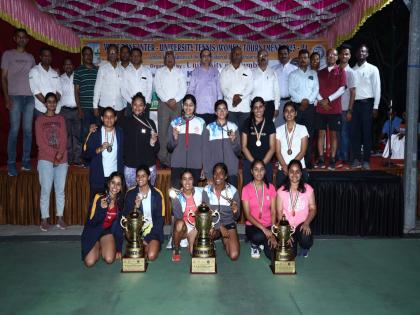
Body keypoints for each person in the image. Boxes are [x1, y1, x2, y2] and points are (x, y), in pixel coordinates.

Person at [1, 28, 36, 176]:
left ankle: (26, 161)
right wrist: (6, 97)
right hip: (14, 96)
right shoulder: (8, 55)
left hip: (29, 98)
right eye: (19, 37)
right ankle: (11, 164)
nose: (22, 39)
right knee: (14, 130)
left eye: (24, 37)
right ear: (15, 39)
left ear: (27, 40)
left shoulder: (31, 57)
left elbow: (36, 76)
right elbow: (3, 78)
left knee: (28, 131)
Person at [35, 92, 68, 231]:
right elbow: (40, 142)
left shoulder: (61, 119)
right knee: (46, 190)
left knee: (60, 190)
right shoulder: (39, 120)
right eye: (49, 101)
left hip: (62, 158)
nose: (52, 104)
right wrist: (54, 156)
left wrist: (59, 155)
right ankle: (44, 219)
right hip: (45, 159)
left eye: (54, 101)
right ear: (45, 103)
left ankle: (60, 218)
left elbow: (64, 138)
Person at [81, 172, 125, 267]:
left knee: (109, 259)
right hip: (93, 231)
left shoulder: (120, 202)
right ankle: (98, 247)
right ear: (108, 183)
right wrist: (101, 209)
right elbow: (91, 222)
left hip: (106, 232)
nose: (115, 186)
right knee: (89, 262)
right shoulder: (98, 198)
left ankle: (104, 245)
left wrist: (118, 249)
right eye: (113, 182)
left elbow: (119, 228)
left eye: (118, 184)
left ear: (121, 187)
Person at [124, 165, 165, 261]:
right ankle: (139, 246)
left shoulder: (157, 194)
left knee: (151, 256)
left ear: (149, 177)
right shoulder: (130, 194)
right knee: (137, 252)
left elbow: (160, 220)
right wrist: (136, 207)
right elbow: (126, 217)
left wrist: (147, 239)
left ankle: (146, 247)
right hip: (136, 231)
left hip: (153, 231)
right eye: (138, 176)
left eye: (143, 176)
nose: (140, 178)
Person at [276, 159, 316, 257]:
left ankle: (304, 247)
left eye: (297, 171)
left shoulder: (308, 189)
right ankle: (293, 244)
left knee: (306, 239)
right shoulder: (281, 191)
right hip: (287, 226)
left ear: (301, 173)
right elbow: (279, 213)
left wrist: (307, 223)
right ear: (287, 173)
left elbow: (313, 208)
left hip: (301, 225)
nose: (294, 174)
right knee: (290, 255)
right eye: (291, 171)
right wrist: (285, 232)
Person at [314, 48, 346, 170]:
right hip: (321, 109)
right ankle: (321, 158)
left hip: (334, 109)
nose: (331, 56)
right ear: (326, 57)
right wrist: (322, 101)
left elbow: (342, 89)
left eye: (334, 55)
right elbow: (315, 88)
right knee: (321, 133)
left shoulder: (341, 71)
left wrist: (328, 100)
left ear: (337, 57)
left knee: (333, 135)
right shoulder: (320, 72)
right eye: (329, 55)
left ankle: (332, 159)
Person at [154, 50, 187, 167]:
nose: (169, 59)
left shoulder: (180, 72)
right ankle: (163, 158)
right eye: (167, 57)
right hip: (163, 104)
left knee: (175, 132)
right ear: (164, 59)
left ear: (174, 59)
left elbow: (183, 88)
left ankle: (174, 158)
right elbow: (157, 88)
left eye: (171, 57)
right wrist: (167, 100)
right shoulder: (159, 72)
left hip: (177, 105)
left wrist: (175, 100)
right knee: (162, 132)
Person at [83, 107, 124, 200]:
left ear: (116, 118)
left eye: (111, 117)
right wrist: (98, 149)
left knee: (114, 209)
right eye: (106, 116)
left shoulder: (120, 132)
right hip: (98, 178)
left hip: (115, 180)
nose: (109, 119)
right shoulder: (94, 132)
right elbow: (85, 155)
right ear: (102, 118)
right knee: (95, 208)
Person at [203, 163, 241, 261]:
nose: (217, 176)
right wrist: (219, 226)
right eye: (215, 173)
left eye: (221, 173)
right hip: (212, 224)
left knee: (234, 255)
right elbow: (206, 213)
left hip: (228, 223)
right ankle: (213, 241)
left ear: (226, 176)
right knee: (210, 233)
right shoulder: (206, 190)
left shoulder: (233, 191)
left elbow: (237, 217)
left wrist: (235, 211)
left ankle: (226, 241)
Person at [351, 44, 381, 170]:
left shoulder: (373, 69)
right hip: (355, 105)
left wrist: (376, 107)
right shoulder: (352, 69)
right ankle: (357, 159)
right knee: (355, 133)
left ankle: (367, 160)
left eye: (364, 51)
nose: (361, 53)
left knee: (367, 134)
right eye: (359, 51)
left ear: (367, 54)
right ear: (356, 54)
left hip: (368, 104)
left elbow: (377, 88)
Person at [120, 92, 159, 188]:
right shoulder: (124, 122)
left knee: (148, 197)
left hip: (148, 166)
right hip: (131, 166)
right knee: (132, 197)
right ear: (131, 106)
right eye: (135, 105)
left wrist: (153, 143)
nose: (137, 107)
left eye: (141, 105)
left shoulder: (150, 123)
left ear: (145, 107)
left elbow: (157, 148)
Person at [289, 49, 319, 168]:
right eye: (301, 57)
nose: (303, 60)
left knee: (309, 135)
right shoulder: (293, 74)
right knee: (296, 135)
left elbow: (316, 89)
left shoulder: (313, 74)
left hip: (310, 108)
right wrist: (302, 101)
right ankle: (296, 161)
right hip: (297, 107)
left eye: (306, 58)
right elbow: (291, 90)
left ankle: (308, 161)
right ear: (298, 59)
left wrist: (307, 101)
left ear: (308, 60)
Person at [167, 94, 206, 188]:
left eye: (191, 105)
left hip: (195, 166)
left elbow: (205, 147)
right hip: (177, 165)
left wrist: (204, 167)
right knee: (176, 196)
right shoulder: (175, 122)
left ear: (195, 107)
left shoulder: (201, 122)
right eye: (186, 104)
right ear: (182, 106)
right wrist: (175, 138)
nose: (188, 107)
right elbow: (169, 147)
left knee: (192, 198)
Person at [242, 159, 277, 259]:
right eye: (256, 169)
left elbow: (274, 211)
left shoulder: (271, 187)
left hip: (269, 225)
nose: (259, 172)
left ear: (265, 171)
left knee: (272, 255)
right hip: (253, 226)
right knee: (258, 236)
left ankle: (265, 243)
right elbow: (247, 215)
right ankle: (255, 245)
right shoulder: (246, 189)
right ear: (251, 171)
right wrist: (264, 230)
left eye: (261, 169)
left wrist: (273, 231)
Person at [203, 100, 241, 187]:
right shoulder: (209, 128)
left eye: (224, 109)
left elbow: (238, 151)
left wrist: (233, 141)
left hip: (231, 171)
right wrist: (208, 173)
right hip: (215, 172)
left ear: (227, 111)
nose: (222, 111)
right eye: (219, 109)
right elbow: (205, 152)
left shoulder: (233, 127)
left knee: (231, 199)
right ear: (215, 112)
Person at [241, 97, 276, 185]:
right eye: (255, 107)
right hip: (249, 162)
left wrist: (262, 165)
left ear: (264, 108)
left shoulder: (270, 123)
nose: (258, 109)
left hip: (265, 162)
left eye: (260, 107)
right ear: (252, 109)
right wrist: (254, 164)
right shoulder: (246, 122)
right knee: (248, 191)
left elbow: (272, 148)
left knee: (267, 190)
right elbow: (244, 147)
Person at [170, 169, 203, 262]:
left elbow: (212, 188)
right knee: (179, 223)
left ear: (193, 180)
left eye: (190, 179)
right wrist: (176, 199)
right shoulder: (177, 197)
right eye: (184, 179)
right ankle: (176, 250)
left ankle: (191, 242)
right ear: (181, 181)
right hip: (184, 226)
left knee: (194, 253)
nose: (187, 182)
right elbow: (177, 218)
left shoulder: (201, 192)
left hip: (196, 226)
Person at [275, 102, 309, 187]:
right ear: (283, 114)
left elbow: (303, 151)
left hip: (299, 169)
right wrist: (284, 166)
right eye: (286, 111)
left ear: (296, 113)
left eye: (292, 111)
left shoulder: (302, 129)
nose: (289, 113)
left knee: (301, 198)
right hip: (283, 169)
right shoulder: (278, 130)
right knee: (282, 199)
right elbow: (278, 152)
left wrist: (291, 167)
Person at [220, 46, 253, 130]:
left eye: (239, 54)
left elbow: (250, 87)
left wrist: (240, 97)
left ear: (241, 56)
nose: (237, 55)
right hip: (230, 109)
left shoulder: (247, 70)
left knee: (244, 135)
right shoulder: (225, 71)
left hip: (244, 108)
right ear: (231, 55)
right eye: (235, 53)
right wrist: (233, 97)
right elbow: (223, 88)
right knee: (232, 134)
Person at [187, 48, 222, 125]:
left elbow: (219, 91)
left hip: (213, 111)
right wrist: (192, 107)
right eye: (204, 56)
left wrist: (219, 108)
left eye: (208, 56)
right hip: (199, 111)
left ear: (210, 58)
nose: (206, 58)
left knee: (212, 135)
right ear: (201, 58)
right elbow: (191, 90)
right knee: (200, 135)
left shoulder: (215, 72)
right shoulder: (195, 72)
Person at [74, 46, 99, 147]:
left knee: (97, 133)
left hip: (96, 108)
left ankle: (96, 156)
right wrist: (79, 109)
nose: (88, 56)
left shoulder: (98, 70)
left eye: (90, 54)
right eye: (86, 54)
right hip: (85, 109)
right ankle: (86, 157)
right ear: (82, 56)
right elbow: (76, 91)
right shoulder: (78, 70)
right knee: (85, 133)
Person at [93, 44, 125, 121]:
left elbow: (124, 89)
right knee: (104, 130)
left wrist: (124, 106)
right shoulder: (102, 69)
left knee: (118, 130)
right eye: (110, 52)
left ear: (117, 54)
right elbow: (97, 88)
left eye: (114, 52)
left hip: (119, 107)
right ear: (107, 54)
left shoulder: (122, 70)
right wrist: (95, 106)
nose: (112, 54)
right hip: (104, 106)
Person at [59, 58, 82, 165]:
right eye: (66, 64)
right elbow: (57, 95)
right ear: (63, 66)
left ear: (73, 66)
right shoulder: (60, 78)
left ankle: (77, 159)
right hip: (64, 111)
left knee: (77, 136)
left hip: (77, 110)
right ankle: (68, 159)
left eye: (70, 64)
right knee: (66, 136)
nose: (68, 66)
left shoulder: (78, 77)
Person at [337, 44, 356, 168]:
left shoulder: (351, 72)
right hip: (334, 109)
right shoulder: (335, 70)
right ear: (339, 55)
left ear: (349, 56)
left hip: (345, 109)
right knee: (337, 134)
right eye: (342, 53)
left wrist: (350, 110)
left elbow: (353, 92)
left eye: (346, 54)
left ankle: (344, 158)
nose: (344, 56)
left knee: (344, 134)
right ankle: (338, 156)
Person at [29, 47, 61, 118]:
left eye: (49, 55)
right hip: (41, 110)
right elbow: (35, 91)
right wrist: (49, 105)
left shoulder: (55, 72)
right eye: (45, 55)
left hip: (56, 110)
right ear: (40, 57)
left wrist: (53, 104)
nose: (47, 57)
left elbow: (59, 90)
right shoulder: (34, 71)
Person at [121, 48, 152, 117]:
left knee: (144, 126)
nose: (135, 57)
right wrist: (132, 103)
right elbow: (123, 90)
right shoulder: (126, 72)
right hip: (131, 105)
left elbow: (149, 89)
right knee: (130, 127)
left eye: (137, 55)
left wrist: (143, 103)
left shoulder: (147, 71)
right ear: (131, 57)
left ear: (141, 57)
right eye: (133, 56)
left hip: (145, 104)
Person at [252, 49, 280, 123]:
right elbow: (248, 91)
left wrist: (276, 107)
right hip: (255, 106)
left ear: (268, 58)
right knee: (256, 129)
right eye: (261, 55)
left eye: (265, 55)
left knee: (268, 129)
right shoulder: (252, 72)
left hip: (269, 106)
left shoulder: (273, 72)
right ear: (257, 58)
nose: (263, 57)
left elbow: (277, 91)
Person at [273, 45, 298, 127]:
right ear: (278, 56)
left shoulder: (295, 69)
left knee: (290, 126)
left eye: (285, 53)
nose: (283, 55)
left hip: (290, 101)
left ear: (289, 55)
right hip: (278, 103)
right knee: (277, 126)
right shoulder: (273, 69)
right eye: (281, 54)